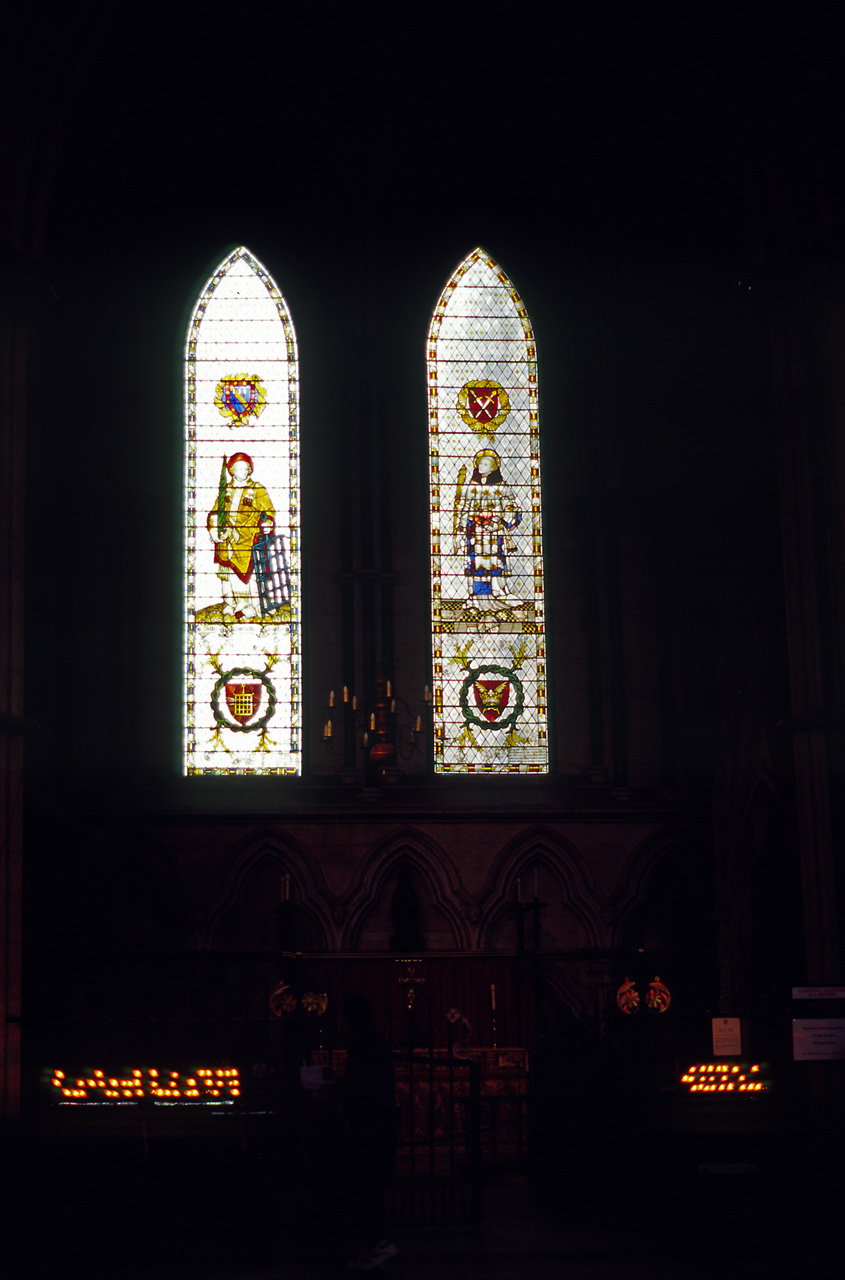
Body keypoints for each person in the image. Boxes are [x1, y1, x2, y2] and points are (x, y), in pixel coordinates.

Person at [338, 995, 398, 1271]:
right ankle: (373, 1243)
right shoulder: (374, 1043)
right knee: (367, 1188)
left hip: (367, 1128)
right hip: (376, 1126)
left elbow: (360, 1088)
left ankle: (378, 1243)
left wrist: (336, 1090)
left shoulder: (362, 1046)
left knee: (366, 1187)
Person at [206, 452, 275, 621]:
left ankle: (251, 606)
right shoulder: (226, 490)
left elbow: (267, 511)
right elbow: (216, 511)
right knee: (227, 572)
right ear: (231, 470)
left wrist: (268, 523)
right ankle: (231, 602)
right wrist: (214, 529)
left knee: (249, 573)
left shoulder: (257, 489)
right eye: (238, 468)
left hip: (248, 537)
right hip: (228, 538)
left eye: (246, 468)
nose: (243, 471)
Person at [455, 448, 521, 601]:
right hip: (476, 531)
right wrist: (462, 526)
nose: (481, 467)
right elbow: (465, 508)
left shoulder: (502, 486)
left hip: (495, 530)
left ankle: (498, 591)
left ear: (493, 467)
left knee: (495, 560)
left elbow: (511, 507)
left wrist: (499, 520)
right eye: (479, 464)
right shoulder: (471, 486)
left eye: (485, 464)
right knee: (476, 560)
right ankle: (476, 596)